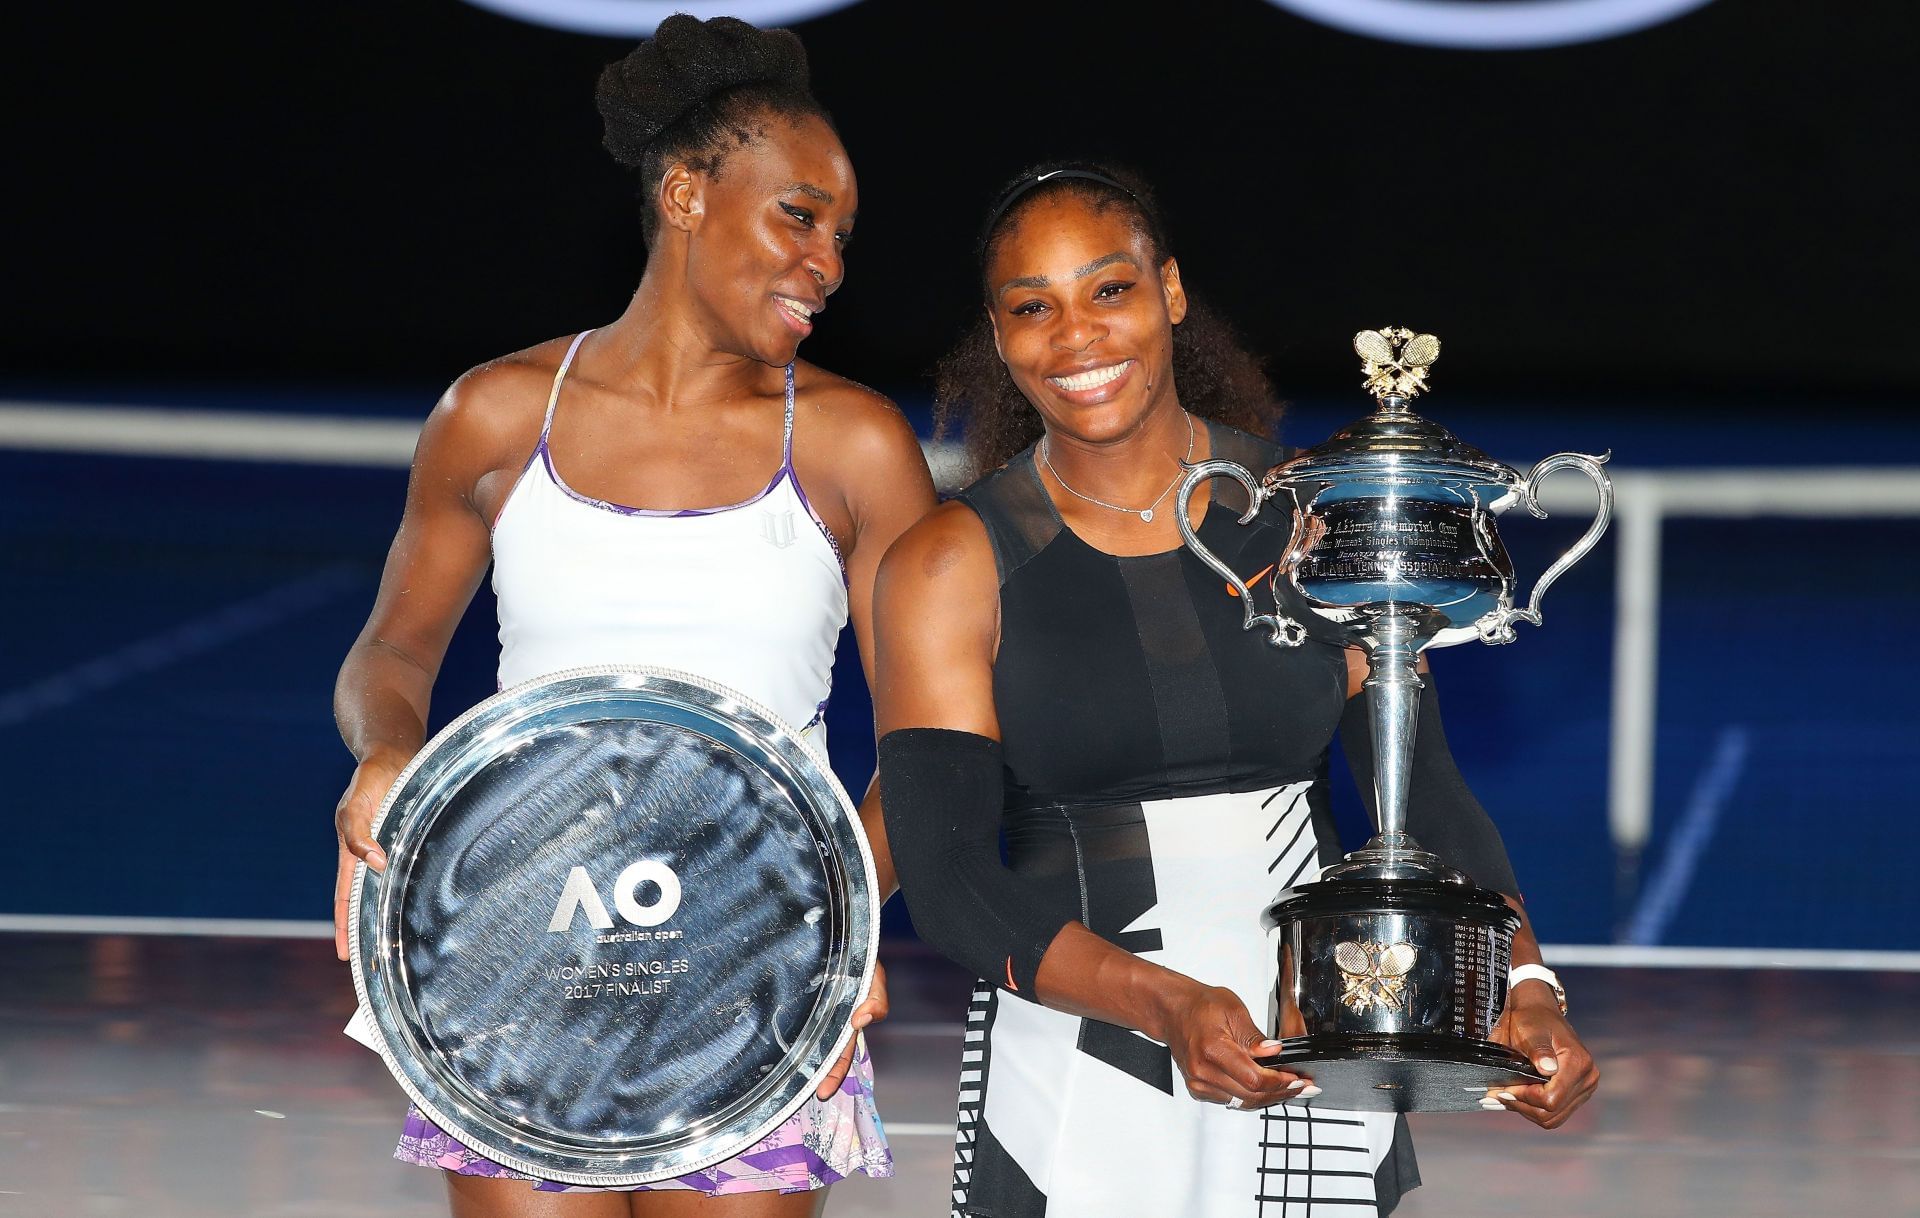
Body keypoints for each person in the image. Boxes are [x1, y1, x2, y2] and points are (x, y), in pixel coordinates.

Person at [873, 162, 1599, 1217]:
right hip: (1077, 1070)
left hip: (1320, 1048)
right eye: (1034, 309)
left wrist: (1524, 984)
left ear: (1168, 292)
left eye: (1109, 290)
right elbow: (947, 878)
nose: (1076, 337)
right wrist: (1161, 1002)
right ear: (998, 337)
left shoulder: (1313, 517)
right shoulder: (949, 563)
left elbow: (1426, 797)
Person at [330, 16, 934, 1216]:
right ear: (686, 192)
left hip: (760, 956)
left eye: (844, 235)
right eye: (799, 216)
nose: (829, 262)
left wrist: (837, 911)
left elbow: (940, 730)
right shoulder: (497, 414)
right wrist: (389, 754)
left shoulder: (854, 443)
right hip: (520, 936)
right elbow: (393, 650)